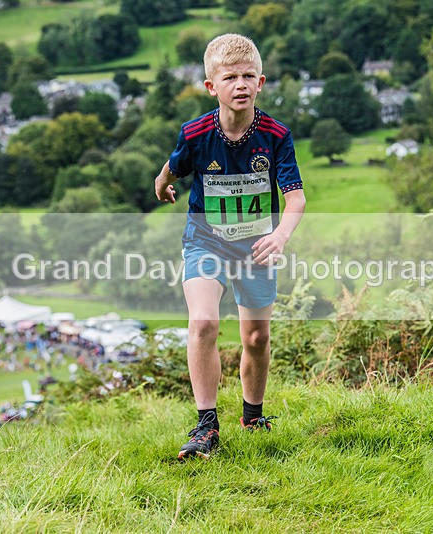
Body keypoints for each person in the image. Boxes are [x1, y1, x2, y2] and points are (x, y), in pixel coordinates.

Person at [154, 33, 306, 459]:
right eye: (230, 77)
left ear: (260, 83)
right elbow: (176, 163)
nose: (240, 84)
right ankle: (206, 427)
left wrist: (279, 235)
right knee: (203, 322)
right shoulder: (197, 132)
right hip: (206, 242)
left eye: (248, 76)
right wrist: (162, 181)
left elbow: (295, 197)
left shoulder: (276, 136)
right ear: (211, 86)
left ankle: (252, 415)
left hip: (256, 250)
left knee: (256, 337)